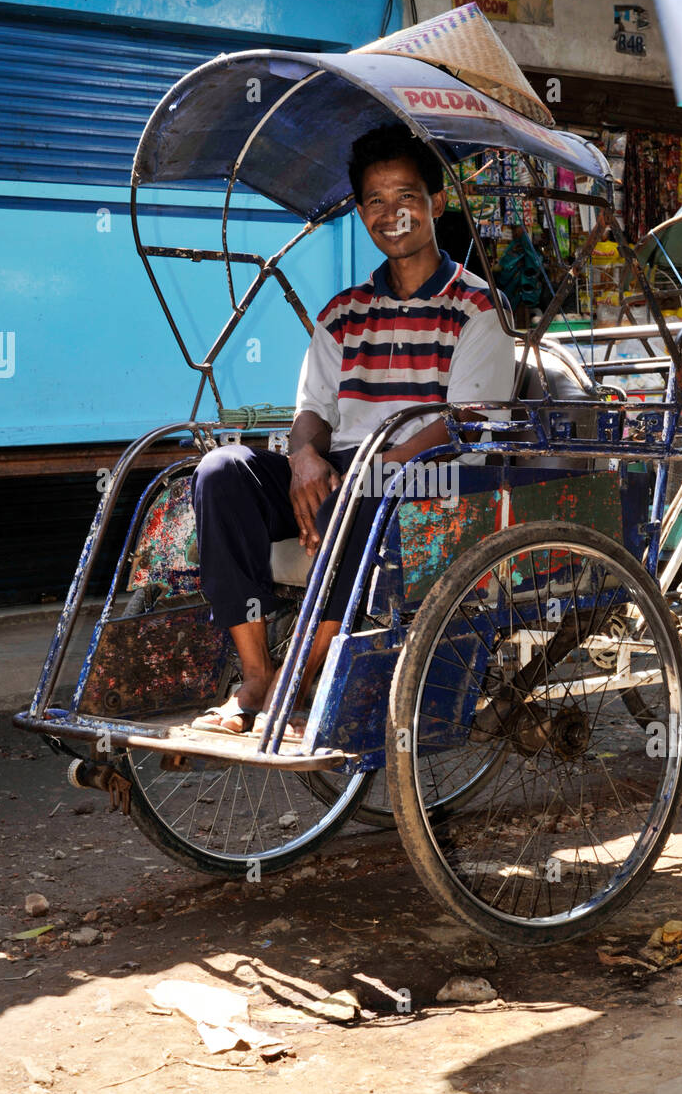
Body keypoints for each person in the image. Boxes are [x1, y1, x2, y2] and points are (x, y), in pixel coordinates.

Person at [190, 123, 515, 737]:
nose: (392, 214)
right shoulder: (342, 313)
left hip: (434, 476)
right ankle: (256, 674)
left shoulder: (477, 307)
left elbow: (465, 420)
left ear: (436, 204)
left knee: (363, 493)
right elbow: (313, 408)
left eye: (407, 196)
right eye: (375, 201)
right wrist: (304, 459)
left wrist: (370, 469)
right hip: (348, 468)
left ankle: (305, 675)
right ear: (362, 212)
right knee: (221, 471)